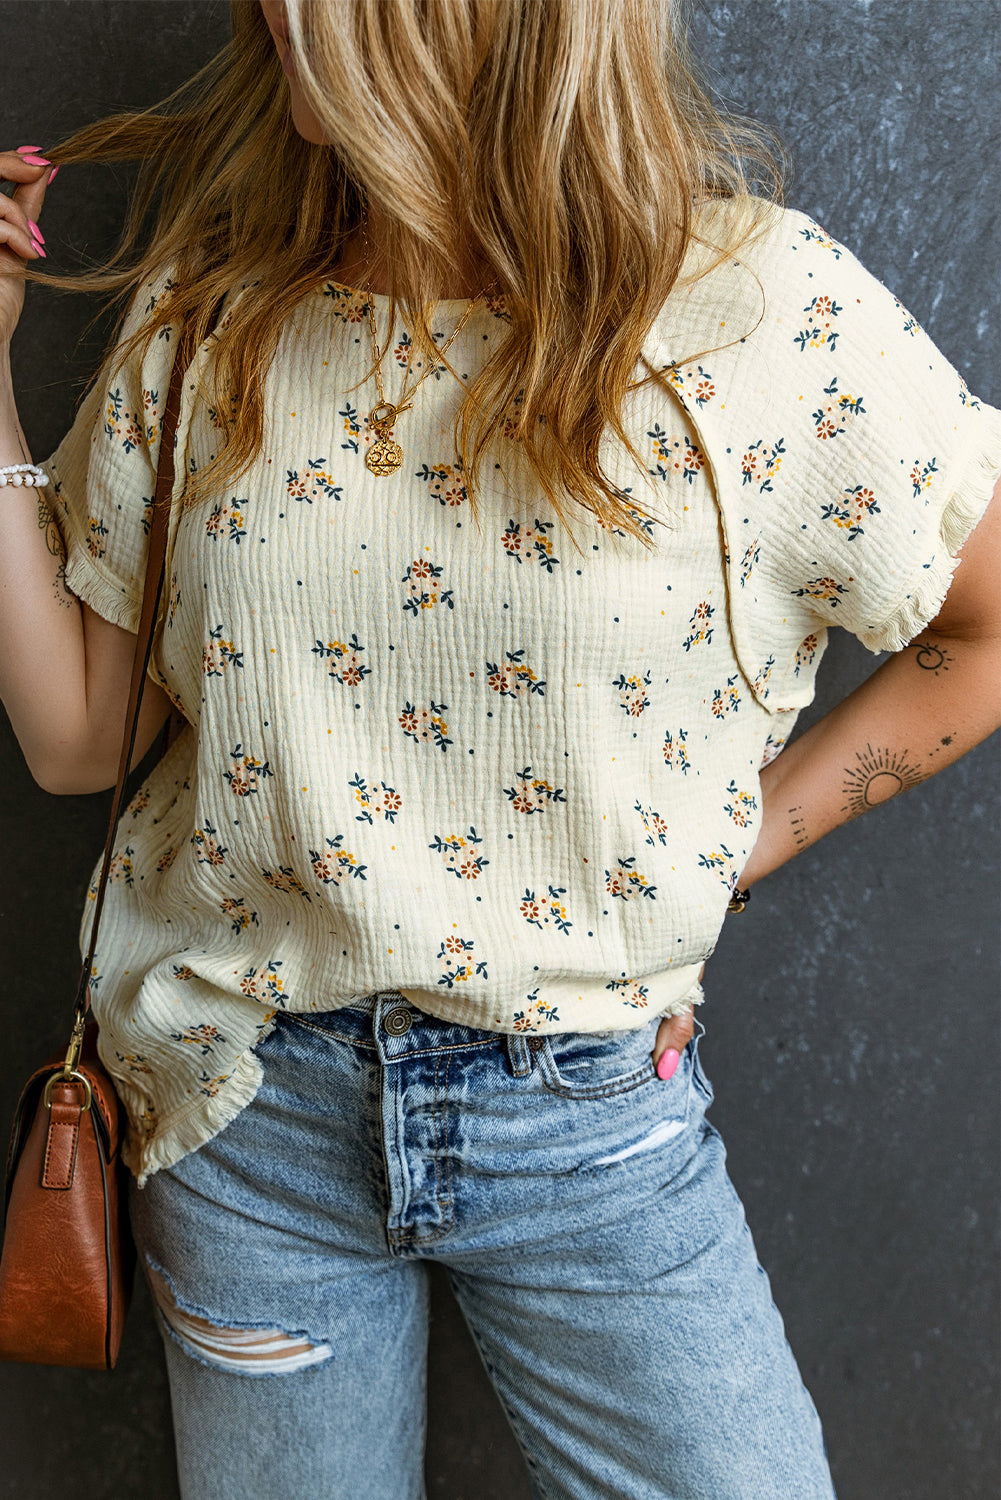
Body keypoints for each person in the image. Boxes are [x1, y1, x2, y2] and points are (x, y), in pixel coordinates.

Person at [0, 1, 998, 1496]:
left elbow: (979, 629)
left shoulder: (764, 312)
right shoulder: (215, 317)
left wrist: (731, 856)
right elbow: (79, 738)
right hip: (249, 1107)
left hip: (589, 1122)